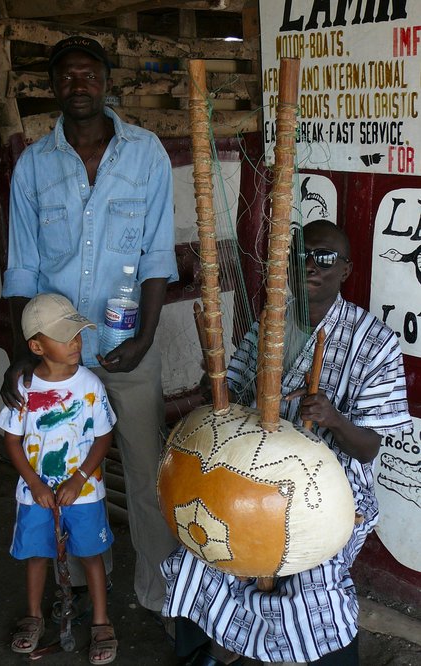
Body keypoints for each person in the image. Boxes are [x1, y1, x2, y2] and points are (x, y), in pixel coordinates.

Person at [161, 220, 412, 665]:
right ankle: (213, 649)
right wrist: (213, 381)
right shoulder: (271, 322)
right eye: (301, 256)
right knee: (205, 540)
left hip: (331, 486)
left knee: (311, 574)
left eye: (324, 257)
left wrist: (333, 419)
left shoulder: (376, 342)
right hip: (253, 469)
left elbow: (369, 448)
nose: (311, 265)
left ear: (346, 269)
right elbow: (235, 393)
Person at [0, 35, 178, 618]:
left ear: (106, 83)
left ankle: (161, 596)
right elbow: (22, 268)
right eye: (67, 76)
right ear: (53, 86)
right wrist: (23, 353)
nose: (78, 85)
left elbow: (157, 257)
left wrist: (144, 340)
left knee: (148, 476)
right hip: (57, 357)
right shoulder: (34, 164)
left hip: (127, 348)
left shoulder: (146, 153)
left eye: (89, 74)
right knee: (59, 468)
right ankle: (74, 583)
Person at [0, 293, 118, 663]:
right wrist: (35, 484)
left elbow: (103, 436)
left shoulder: (90, 385)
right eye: (64, 338)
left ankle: (101, 622)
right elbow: (12, 440)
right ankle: (33, 616)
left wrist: (79, 478)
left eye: (77, 334)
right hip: (36, 495)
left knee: (92, 556)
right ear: (36, 346)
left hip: (84, 493)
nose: (76, 343)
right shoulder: (24, 389)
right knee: (37, 555)